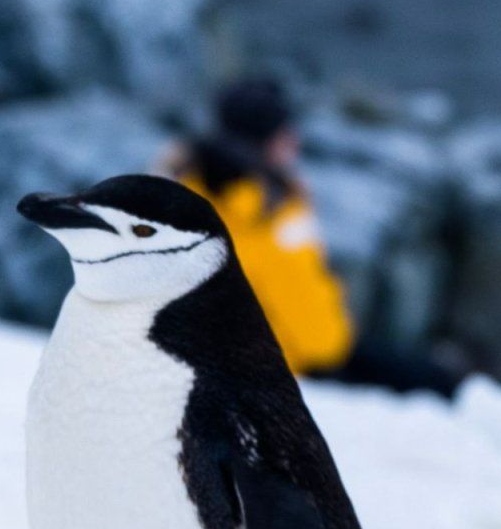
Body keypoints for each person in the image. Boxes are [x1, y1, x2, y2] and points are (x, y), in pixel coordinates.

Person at [164, 77, 465, 397]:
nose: (294, 142)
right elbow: (310, 328)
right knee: (433, 381)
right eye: (283, 133)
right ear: (262, 140)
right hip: (287, 363)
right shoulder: (263, 210)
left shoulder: (184, 192)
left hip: (261, 353)